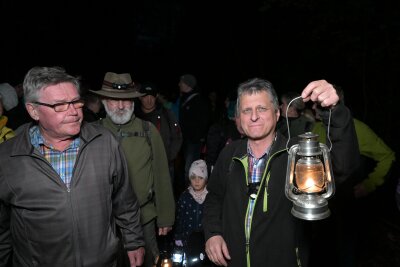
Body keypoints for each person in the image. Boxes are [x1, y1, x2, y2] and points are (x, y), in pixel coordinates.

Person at [203, 78, 359, 267]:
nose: (253, 117)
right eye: (246, 110)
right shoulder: (229, 153)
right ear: (239, 117)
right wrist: (213, 233)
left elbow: (343, 166)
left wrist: (334, 111)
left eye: (262, 109)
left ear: (277, 113)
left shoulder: (298, 154)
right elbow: (214, 197)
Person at [0, 66, 145, 266]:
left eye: (76, 102)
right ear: (33, 110)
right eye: (59, 105)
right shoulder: (7, 158)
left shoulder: (104, 142)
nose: (74, 112)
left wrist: (134, 241)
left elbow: (125, 199)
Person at [91, 72, 176, 267]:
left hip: (143, 218)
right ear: (104, 100)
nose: (121, 106)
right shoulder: (92, 132)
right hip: (104, 224)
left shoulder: (148, 131)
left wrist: (165, 217)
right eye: (114, 100)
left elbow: (161, 175)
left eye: (126, 100)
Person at [135, 81, 183, 184]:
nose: (149, 100)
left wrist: (168, 157)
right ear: (139, 97)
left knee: (166, 198)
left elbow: (178, 137)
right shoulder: (134, 117)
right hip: (140, 168)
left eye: (151, 96)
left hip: (164, 167)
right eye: (145, 96)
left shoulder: (167, 114)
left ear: (156, 96)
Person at [178, 74, 210, 183]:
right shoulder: (184, 99)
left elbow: (203, 121)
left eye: (181, 82)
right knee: (187, 167)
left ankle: (193, 193)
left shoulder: (198, 100)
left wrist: (199, 137)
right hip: (185, 141)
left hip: (193, 141)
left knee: (190, 169)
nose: (179, 84)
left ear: (187, 84)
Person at [174, 159, 208, 247]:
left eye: (200, 177)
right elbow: (179, 218)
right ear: (189, 178)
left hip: (206, 240)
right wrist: (178, 236)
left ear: (206, 179)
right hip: (187, 239)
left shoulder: (210, 197)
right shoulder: (184, 197)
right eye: (193, 177)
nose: (197, 181)